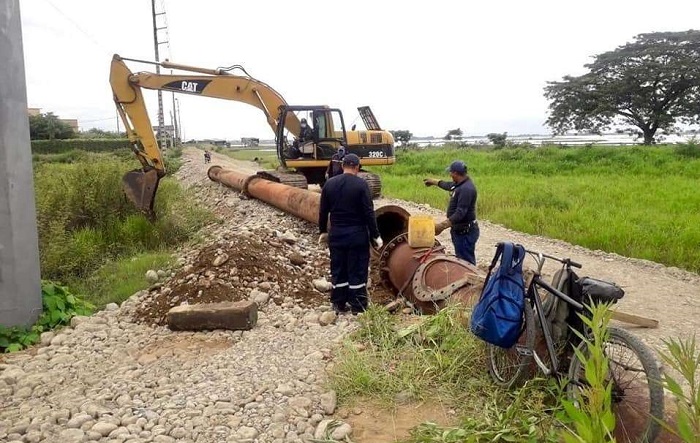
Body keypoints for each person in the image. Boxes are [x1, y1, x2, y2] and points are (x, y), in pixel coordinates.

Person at [318, 154, 383, 314]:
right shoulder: (361, 185)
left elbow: (322, 212)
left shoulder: (329, 184)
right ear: (357, 167)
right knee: (357, 269)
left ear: (342, 166)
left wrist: (323, 231)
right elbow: (368, 212)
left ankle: (338, 303)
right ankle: (358, 306)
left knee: (338, 268)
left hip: (337, 235)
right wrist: (376, 235)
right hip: (357, 235)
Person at [423, 160, 479, 265]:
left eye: (451, 172)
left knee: (466, 262)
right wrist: (434, 181)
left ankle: (472, 279)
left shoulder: (466, 189)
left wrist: (442, 225)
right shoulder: (460, 183)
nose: (450, 174)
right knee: (461, 258)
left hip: (465, 232)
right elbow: (448, 185)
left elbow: (460, 213)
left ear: (456, 173)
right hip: (459, 230)